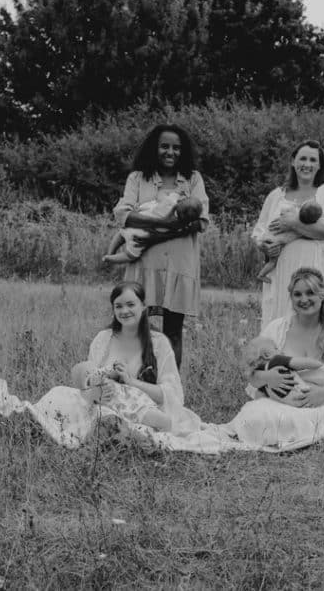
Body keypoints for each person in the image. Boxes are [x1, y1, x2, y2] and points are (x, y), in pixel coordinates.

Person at [226, 267, 324, 448]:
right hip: (281, 406)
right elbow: (251, 374)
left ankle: (301, 434)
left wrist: (322, 394)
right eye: (297, 294)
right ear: (291, 298)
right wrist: (268, 378)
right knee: (254, 414)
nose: (304, 300)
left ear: (323, 295)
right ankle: (303, 435)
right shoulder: (277, 328)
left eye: (310, 293)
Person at [113, 124, 209, 367]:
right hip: (145, 263)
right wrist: (161, 221)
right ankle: (140, 382)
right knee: (137, 326)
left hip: (179, 264)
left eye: (176, 148)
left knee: (173, 332)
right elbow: (124, 214)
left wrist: (155, 236)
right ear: (153, 148)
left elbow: (200, 221)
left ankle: (170, 390)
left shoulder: (193, 179)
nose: (170, 152)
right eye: (164, 146)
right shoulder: (137, 178)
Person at [69, 281, 201, 433]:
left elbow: (170, 396)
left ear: (144, 306)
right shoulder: (102, 339)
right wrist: (95, 394)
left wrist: (131, 381)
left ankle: (128, 432)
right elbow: (87, 381)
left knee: (136, 428)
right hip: (106, 408)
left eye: (131, 304)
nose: (124, 311)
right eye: (118, 306)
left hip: (145, 413)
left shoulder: (159, 343)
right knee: (61, 394)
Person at [252, 140, 324, 327]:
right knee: (281, 322)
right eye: (302, 158)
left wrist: (293, 223)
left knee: (316, 322)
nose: (307, 164)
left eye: (312, 160)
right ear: (293, 162)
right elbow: (259, 231)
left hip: (315, 267)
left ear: (319, 165)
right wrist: (265, 245)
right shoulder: (276, 195)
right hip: (282, 269)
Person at [103, 196, 203, 266]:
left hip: (134, 224)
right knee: (130, 256)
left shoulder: (169, 201)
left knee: (120, 235)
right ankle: (110, 259)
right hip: (140, 236)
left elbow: (155, 205)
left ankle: (110, 252)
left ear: (181, 200)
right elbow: (166, 232)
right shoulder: (180, 225)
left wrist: (175, 203)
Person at [254, 201, 323, 283]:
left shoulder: (292, 214)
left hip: (269, 235)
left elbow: (284, 210)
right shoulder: (299, 229)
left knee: (270, 259)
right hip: (273, 241)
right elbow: (309, 237)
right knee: (273, 262)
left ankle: (265, 264)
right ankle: (261, 275)